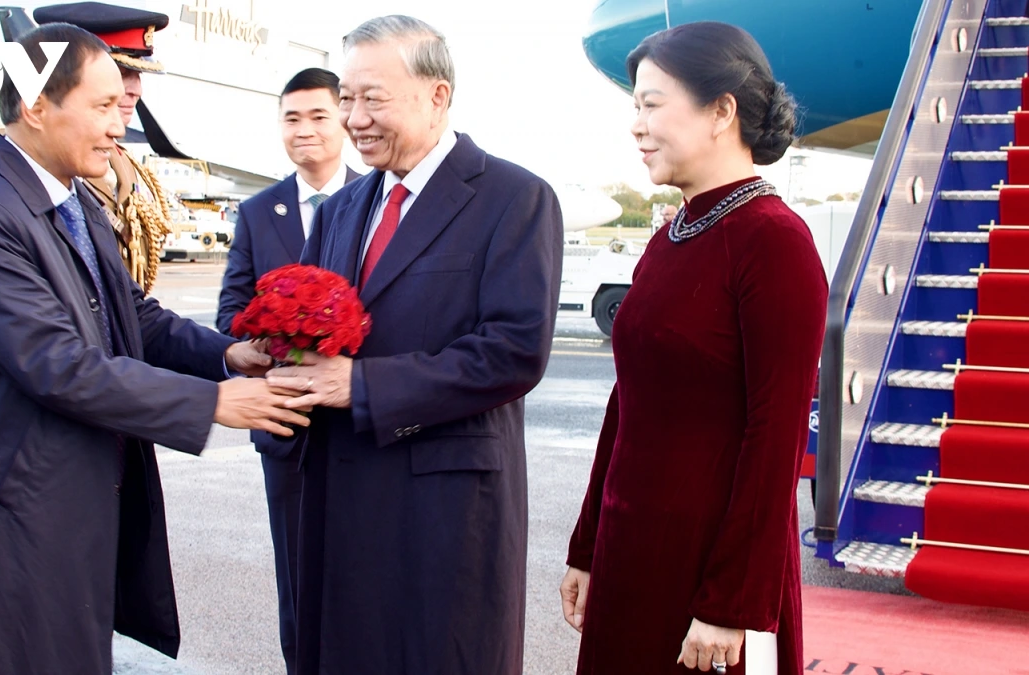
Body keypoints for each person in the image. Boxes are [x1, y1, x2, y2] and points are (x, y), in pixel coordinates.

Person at [0, 23, 308, 675]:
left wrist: (228, 356)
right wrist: (215, 401)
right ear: (38, 107)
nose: (118, 126)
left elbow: (136, 317)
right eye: (102, 107)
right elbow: (60, 366)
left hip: (62, 518)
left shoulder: (69, 195)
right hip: (4, 532)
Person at [265, 15, 563, 674]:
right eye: (346, 98)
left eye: (372, 97)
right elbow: (313, 328)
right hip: (339, 500)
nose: (354, 117)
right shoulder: (344, 207)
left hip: (443, 513)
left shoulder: (514, 198)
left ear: (437, 95)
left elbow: (514, 350)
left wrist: (362, 386)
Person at [558, 22, 827, 675]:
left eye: (651, 103)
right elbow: (629, 405)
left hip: (710, 576)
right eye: (635, 107)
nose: (636, 124)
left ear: (721, 111)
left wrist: (732, 600)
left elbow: (776, 439)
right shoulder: (670, 236)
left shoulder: (775, 242)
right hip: (633, 556)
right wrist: (590, 545)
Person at [0, 1, 175, 450]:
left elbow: (121, 299)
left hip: (104, 401)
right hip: (17, 419)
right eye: (117, 76)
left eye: (137, 78)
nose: (132, 91)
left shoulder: (114, 165)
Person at [214, 66, 361, 674]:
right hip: (285, 425)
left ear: (346, 118)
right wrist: (264, 341)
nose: (304, 131)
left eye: (319, 116)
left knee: (363, 576)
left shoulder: (377, 199)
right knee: (298, 578)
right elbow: (231, 311)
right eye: (291, 118)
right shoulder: (257, 211)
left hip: (360, 422)